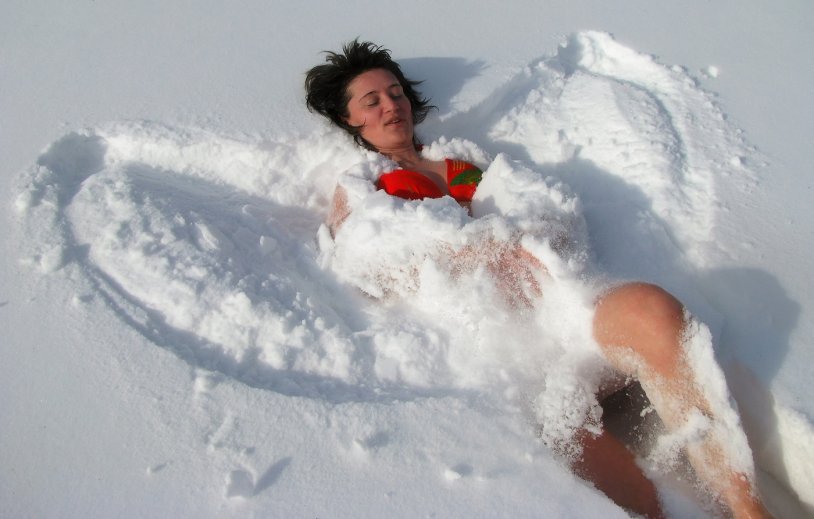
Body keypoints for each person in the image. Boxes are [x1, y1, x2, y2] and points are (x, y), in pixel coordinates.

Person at [305, 39, 772, 519]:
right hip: (519, 360)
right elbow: (369, 265)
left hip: (564, 311)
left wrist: (530, 238)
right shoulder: (363, 184)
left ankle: (746, 508)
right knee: (599, 462)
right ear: (349, 119)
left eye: (396, 92)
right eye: (372, 101)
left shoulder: (465, 164)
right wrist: (483, 249)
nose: (392, 105)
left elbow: (558, 216)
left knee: (652, 310)